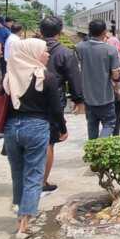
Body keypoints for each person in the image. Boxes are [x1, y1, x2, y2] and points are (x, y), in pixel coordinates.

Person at [3, 38, 67, 239]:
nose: (47, 54)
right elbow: (56, 109)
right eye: (44, 51)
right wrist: (61, 129)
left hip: (12, 129)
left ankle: (20, 213)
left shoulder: (8, 77)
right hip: (37, 127)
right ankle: (24, 224)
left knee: (18, 174)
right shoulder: (45, 77)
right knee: (34, 175)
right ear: (32, 53)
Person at [39, 16, 84, 193]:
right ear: (60, 31)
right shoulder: (65, 53)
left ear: (41, 31)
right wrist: (78, 100)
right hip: (52, 103)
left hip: (26, 102)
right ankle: (42, 182)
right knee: (48, 142)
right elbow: (74, 78)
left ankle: (28, 181)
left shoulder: (29, 50)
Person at [75, 20, 120, 139]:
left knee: (92, 125)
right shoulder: (111, 50)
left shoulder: (79, 47)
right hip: (105, 97)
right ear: (105, 32)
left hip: (88, 97)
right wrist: (117, 89)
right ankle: (100, 147)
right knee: (109, 124)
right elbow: (116, 74)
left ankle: (93, 151)